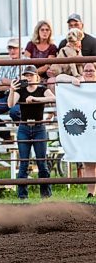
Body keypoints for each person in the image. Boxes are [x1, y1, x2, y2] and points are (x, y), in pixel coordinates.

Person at [8, 64, 56, 199]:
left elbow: (54, 98)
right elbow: (10, 104)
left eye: (31, 75)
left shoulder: (42, 90)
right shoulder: (21, 90)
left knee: (42, 161)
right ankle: (22, 196)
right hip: (24, 127)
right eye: (26, 76)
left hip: (39, 127)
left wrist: (36, 99)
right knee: (24, 162)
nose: (28, 78)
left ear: (37, 77)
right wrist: (12, 90)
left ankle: (46, 195)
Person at [56, 62, 96, 198]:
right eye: (86, 70)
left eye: (91, 70)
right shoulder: (80, 83)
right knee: (89, 163)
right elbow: (58, 78)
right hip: (87, 130)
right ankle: (91, 194)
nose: (89, 72)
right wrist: (72, 79)